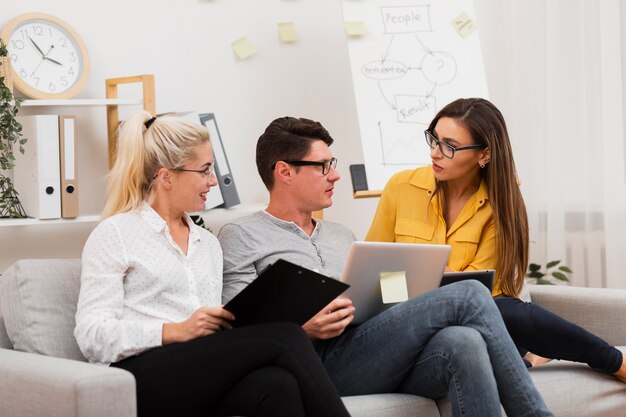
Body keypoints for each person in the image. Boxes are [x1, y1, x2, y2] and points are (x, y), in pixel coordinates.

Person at [218, 116, 554, 417]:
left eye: (332, 163)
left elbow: (375, 302)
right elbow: (239, 331)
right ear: (285, 172)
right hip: (310, 363)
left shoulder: (340, 235)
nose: (335, 174)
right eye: (323, 166)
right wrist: (302, 327)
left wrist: (404, 290)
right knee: (467, 294)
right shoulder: (242, 235)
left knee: (463, 341)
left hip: (366, 352)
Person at [74, 112, 352, 417]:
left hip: (197, 371)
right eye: (205, 170)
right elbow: (91, 334)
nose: (213, 181)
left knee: (277, 384)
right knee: (285, 335)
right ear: (166, 176)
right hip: (137, 375)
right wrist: (173, 331)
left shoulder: (207, 243)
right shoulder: (116, 233)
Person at [365, 97, 626, 382]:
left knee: (502, 311)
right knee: (505, 314)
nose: (435, 153)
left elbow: (482, 292)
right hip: (405, 312)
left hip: (471, 318)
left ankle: (599, 359)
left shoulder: (501, 201)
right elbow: (372, 267)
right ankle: (584, 359)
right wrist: (420, 280)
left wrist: (419, 271)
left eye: (449, 146)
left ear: (484, 155)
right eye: (434, 139)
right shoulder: (401, 186)